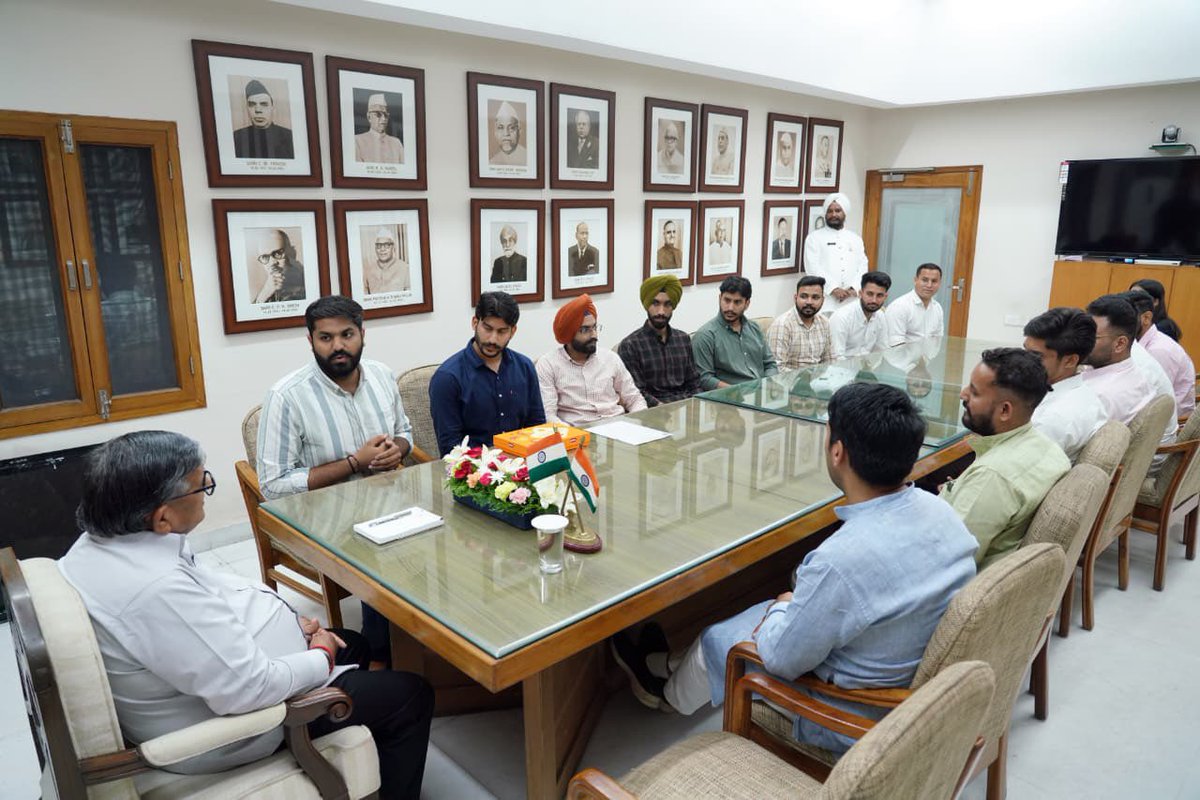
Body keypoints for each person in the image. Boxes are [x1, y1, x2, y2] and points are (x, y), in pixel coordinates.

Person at [60, 431, 433, 799]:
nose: (207, 487)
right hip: (241, 727)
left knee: (356, 643)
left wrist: (291, 622)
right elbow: (249, 690)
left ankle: (367, 759)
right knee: (410, 695)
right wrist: (321, 654)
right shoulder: (156, 589)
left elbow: (204, 607)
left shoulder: (103, 543)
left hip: (220, 680)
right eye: (201, 485)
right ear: (162, 518)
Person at [611, 383, 977, 755]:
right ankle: (669, 666)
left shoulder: (841, 561)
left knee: (720, 639)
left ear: (837, 451)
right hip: (904, 679)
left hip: (847, 716)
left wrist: (785, 604)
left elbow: (781, 659)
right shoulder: (942, 513)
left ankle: (666, 697)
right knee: (769, 607)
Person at [257, 295, 412, 661]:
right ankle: (380, 656)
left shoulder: (382, 375)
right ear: (310, 340)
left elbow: (405, 431)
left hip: (390, 498)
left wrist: (398, 449)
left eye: (347, 334)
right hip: (326, 518)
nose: (338, 346)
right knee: (382, 553)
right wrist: (355, 462)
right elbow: (273, 484)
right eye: (326, 338)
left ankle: (431, 645)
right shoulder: (287, 397)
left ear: (362, 334)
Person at [941, 348, 1070, 566]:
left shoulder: (992, 477)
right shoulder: (1049, 449)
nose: (963, 394)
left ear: (1005, 411)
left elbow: (947, 560)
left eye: (974, 392)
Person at [429, 291, 545, 456]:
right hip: (474, 472)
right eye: (487, 328)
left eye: (502, 332)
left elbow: (537, 429)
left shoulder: (525, 367)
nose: (492, 339)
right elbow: (451, 449)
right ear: (475, 323)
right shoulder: (448, 378)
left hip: (523, 466)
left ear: (513, 331)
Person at [1083, 294, 1177, 466]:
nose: (1081, 342)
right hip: (1137, 454)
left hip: (1138, 461)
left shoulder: (1106, 392)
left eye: (1092, 337)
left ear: (1120, 344)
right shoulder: (1122, 361)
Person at [537, 294, 646, 424]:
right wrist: (574, 437)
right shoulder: (548, 364)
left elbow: (634, 399)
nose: (593, 334)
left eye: (594, 327)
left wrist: (638, 424)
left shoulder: (610, 359)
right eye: (585, 330)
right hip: (577, 433)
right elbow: (548, 415)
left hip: (617, 428)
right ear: (569, 334)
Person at [1022, 308, 1109, 462]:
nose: (1023, 361)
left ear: (1070, 361)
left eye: (1035, 356)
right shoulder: (1083, 394)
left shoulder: (1050, 420)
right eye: (1024, 351)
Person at [618, 275, 701, 407]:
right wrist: (662, 409)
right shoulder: (630, 345)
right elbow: (636, 392)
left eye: (667, 304)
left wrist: (695, 408)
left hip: (685, 409)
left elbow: (694, 383)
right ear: (647, 305)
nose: (661, 311)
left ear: (673, 306)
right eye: (655, 303)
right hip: (652, 412)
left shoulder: (683, 339)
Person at [692, 276, 777, 389]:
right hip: (730, 398)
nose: (730, 308)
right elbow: (705, 379)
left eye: (737, 302)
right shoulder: (705, 336)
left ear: (747, 304)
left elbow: (770, 364)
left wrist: (767, 385)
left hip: (761, 395)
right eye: (727, 300)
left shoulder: (755, 329)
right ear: (719, 298)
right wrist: (737, 392)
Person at [1126, 288, 1194, 415]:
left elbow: (1155, 400)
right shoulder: (1140, 342)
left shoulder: (1158, 350)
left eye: (1126, 318)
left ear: (1146, 318)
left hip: (1171, 418)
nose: (1119, 324)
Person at [802, 193, 868, 315]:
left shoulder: (855, 238)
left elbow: (863, 266)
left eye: (838, 210)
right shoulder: (814, 238)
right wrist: (833, 289)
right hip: (826, 303)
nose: (833, 214)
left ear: (845, 213)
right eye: (830, 211)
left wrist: (854, 287)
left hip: (852, 300)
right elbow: (812, 267)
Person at [767, 275, 832, 369]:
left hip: (818, 381)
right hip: (790, 382)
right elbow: (777, 368)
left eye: (815, 297)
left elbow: (829, 361)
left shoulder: (824, 323)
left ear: (823, 300)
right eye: (804, 296)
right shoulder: (783, 325)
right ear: (795, 298)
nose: (809, 302)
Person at [829, 271, 891, 358]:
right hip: (841, 369)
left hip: (866, 369)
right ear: (860, 293)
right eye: (870, 294)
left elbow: (883, 351)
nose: (874, 300)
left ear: (885, 296)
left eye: (879, 295)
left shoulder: (880, 316)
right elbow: (836, 357)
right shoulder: (842, 317)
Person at [232, 79, 294, 159]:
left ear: (272, 108)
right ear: (247, 108)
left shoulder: (289, 137)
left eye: (264, 104)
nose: (258, 110)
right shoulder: (236, 137)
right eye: (252, 104)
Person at [886, 263, 945, 345]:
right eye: (925, 280)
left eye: (934, 281)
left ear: (939, 283)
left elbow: (938, 340)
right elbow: (895, 344)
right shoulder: (899, 307)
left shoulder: (937, 308)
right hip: (902, 356)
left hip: (928, 357)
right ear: (915, 280)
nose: (929, 285)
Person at [252, 229, 306, 304]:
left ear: (293, 253)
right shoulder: (266, 290)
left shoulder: (305, 285)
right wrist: (262, 297)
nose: (272, 263)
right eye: (265, 257)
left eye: (278, 253)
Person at [354, 93, 405, 164]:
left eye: (386, 115)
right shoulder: (358, 141)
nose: (383, 119)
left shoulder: (396, 143)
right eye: (378, 115)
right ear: (369, 117)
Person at [362, 226, 411, 294]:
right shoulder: (368, 270)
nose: (382, 249)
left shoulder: (405, 268)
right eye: (379, 245)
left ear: (393, 247)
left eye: (386, 245)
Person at [490, 101, 527, 166]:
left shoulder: (528, 158)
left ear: (519, 131)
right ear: (495, 133)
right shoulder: (492, 162)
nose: (506, 133)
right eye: (501, 128)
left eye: (511, 128)